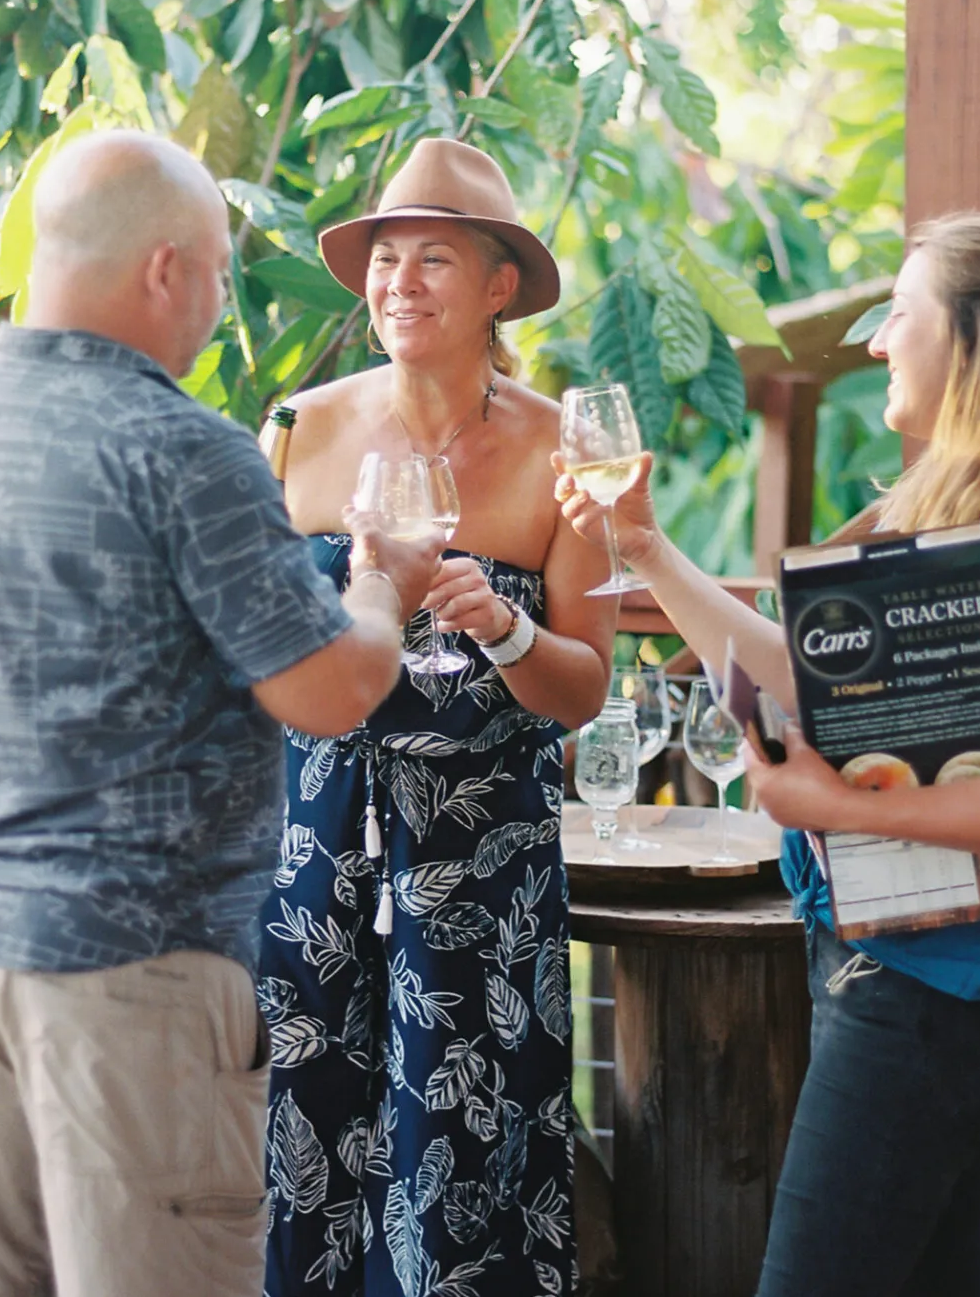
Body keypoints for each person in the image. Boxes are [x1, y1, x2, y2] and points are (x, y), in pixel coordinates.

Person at [0, 131, 442, 1297]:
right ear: (167, 268)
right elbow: (329, 690)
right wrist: (388, 584)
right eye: (224, 272)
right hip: (136, 980)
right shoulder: (186, 449)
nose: (223, 303)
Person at [555, 212, 980, 1297]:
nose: (875, 342)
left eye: (900, 315)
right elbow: (796, 677)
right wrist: (641, 546)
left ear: (974, 337)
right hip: (899, 976)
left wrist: (840, 804)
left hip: (936, 1000)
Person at [258, 138, 615, 1296]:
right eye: (385, 257)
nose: (400, 281)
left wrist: (507, 633)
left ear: (500, 287)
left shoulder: (567, 450)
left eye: (435, 259)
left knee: (461, 1142)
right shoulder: (297, 429)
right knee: (310, 1133)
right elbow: (253, 650)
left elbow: (588, 686)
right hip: (316, 832)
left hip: (482, 856)